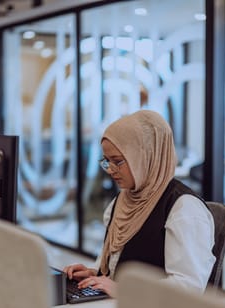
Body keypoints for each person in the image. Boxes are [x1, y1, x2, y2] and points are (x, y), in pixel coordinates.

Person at [63, 110, 216, 298]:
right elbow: (113, 265)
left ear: (146, 156)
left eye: (118, 161)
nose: (110, 170)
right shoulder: (123, 200)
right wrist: (95, 274)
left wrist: (124, 289)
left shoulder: (184, 209)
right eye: (107, 161)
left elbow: (188, 286)